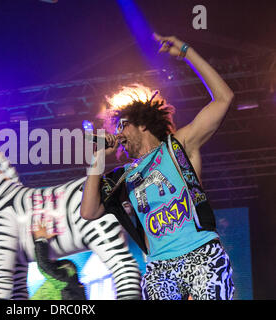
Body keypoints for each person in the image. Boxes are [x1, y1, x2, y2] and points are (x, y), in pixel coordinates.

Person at [80, 33, 235, 300]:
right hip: (159, 267)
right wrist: (97, 161)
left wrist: (187, 52)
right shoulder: (125, 176)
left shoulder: (178, 146)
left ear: (142, 124)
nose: (118, 132)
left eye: (122, 125)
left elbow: (224, 98)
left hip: (201, 254)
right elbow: (89, 211)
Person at [31, 219, 87, 300]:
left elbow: (44, 266)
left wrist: (41, 240)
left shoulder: (66, 280)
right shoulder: (66, 281)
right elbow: (45, 266)